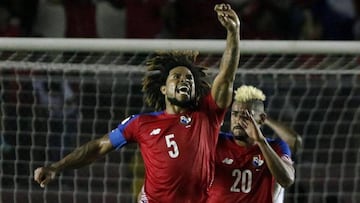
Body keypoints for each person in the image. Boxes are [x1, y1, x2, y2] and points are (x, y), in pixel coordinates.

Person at [34, 3, 240, 203]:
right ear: (163, 88)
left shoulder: (207, 114)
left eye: (189, 79)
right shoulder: (141, 123)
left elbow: (226, 76)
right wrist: (56, 167)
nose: (184, 81)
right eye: (176, 77)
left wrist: (233, 33)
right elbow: (98, 146)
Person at [207, 85, 295, 203]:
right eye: (235, 114)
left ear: (262, 119)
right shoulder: (216, 141)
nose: (238, 120)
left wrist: (260, 141)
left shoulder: (275, 147)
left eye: (246, 115)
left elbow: (287, 180)